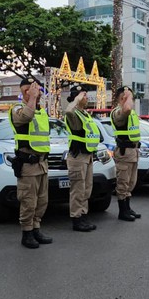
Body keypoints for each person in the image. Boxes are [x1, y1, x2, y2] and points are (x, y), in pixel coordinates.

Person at [9, 77, 53, 248]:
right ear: (25, 92)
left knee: (42, 201)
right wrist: (32, 98)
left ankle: (36, 228)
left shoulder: (41, 111)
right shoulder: (18, 109)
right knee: (28, 201)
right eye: (33, 89)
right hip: (28, 165)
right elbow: (26, 117)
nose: (38, 92)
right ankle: (26, 232)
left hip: (42, 164)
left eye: (38, 90)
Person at [63, 84, 100, 231]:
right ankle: (76, 219)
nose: (86, 97)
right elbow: (67, 111)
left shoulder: (85, 114)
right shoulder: (74, 113)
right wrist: (76, 99)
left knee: (86, 189)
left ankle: (83, 215)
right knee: (78, 190)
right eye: (83, 95)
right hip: (78, 157)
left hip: (88, 156)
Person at [110, 86, 141, 221]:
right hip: (124, 152)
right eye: (130, 98)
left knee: (130, 182)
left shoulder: (132, 113)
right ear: (123, 98)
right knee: (123, 182)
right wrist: (128, 96)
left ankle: (128, 208)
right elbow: (127, 109)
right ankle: (122, 211)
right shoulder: (118, 112)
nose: (132, 101)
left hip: (133, 151)